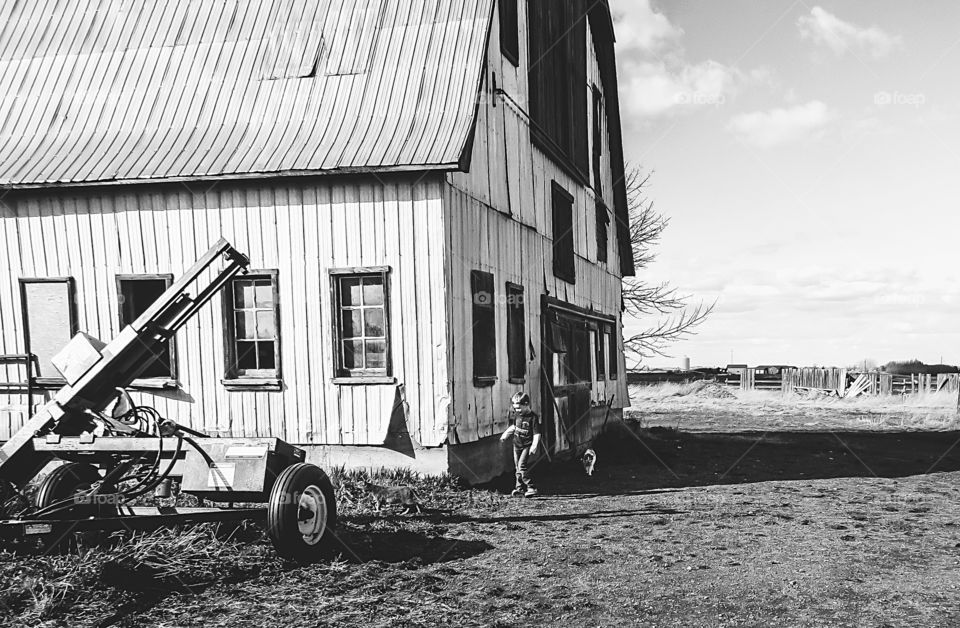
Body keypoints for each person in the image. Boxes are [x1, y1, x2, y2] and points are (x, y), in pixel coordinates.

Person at [501, 391, 541, 497]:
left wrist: (534, 446)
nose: (517, 410)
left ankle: (531, 487)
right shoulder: (518, 415)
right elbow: (514, 427)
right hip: (516, 445)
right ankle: (519, 488)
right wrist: (505, 435)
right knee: (517, 468)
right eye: (515, 408)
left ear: (526, 404)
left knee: (522, 466)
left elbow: (537, 434)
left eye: (519, 408)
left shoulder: (533, 418)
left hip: (527, 446)